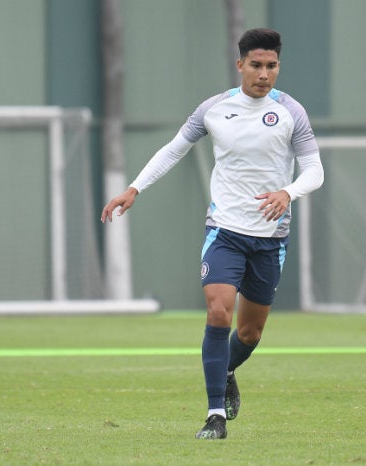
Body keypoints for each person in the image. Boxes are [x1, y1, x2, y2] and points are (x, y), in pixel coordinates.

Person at [101, 28, 324, 440]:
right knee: (219, 311)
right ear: (240, 65)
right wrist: (134, 188)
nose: (263, 74)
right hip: (224, 230)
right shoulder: (214, 109)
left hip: (270, 238)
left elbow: (314, 170)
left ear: (279, 67)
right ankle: (215, 416)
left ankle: (228, 368)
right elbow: (173, 149)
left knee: (250, 333)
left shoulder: (292, 111)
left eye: (271, 66)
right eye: (256, 65)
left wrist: (287, 192)